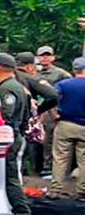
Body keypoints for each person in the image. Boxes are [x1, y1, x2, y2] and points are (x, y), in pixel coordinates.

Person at [0, 53, 32, 215]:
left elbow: (5, 115)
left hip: (8, 137)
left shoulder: (6, 89)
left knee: (9, 176)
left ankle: (22, 213)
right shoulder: (18, 87)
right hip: (15, 134)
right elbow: (26, 115)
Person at [14, 51, 58, 175]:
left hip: (3, 119)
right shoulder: (30, 79)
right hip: (24, 120)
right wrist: (37, 111)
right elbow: (53, 96)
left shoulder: (5, 76)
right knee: (22, 151)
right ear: (30, 66)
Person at [49, 56, 85, 201]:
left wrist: (54, 115)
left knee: (60, 158)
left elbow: (50, 99)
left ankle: (55, 190)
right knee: (84, 160)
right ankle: (82, 191)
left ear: (74, 69)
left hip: (65, 124)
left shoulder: (63, 84)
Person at [35, 46, 71, 176]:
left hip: (52, 110)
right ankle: (32, 167)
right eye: (42, 55)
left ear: (53, 57)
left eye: (48, 55)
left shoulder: (61, 74)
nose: (45, 58)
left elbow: (69, 89)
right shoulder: (33, 72)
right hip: (35, 109)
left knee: (49, 139)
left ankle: (49, 166)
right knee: (34, 139)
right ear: (37, 57)